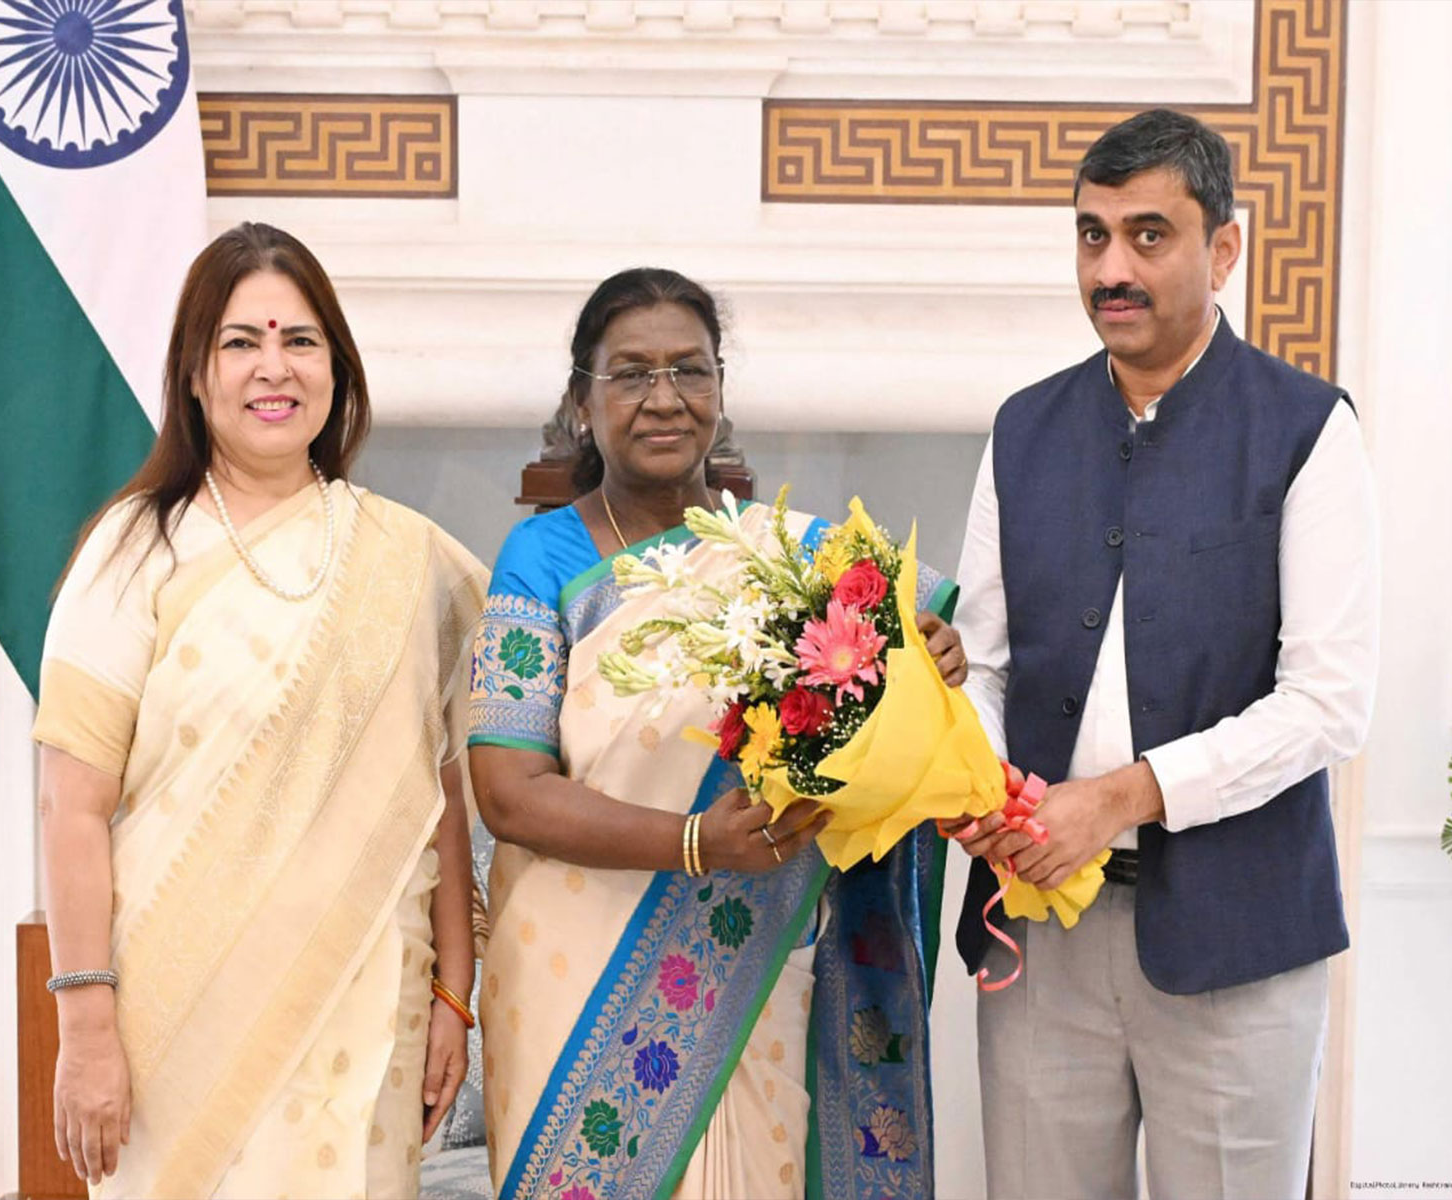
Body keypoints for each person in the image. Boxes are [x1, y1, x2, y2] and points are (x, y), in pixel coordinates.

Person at [943, 109, 1379, 1198]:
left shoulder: (1307, 428)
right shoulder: (1023, 428)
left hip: (1238, 937)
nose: (1111, 269)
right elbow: (984, 663)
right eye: (1092, 237)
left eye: (1148, 236)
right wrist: (984, 783)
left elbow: (1328, 704)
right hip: (1040, 933)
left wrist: (1122, 796)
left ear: (1221, 248)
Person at [467, 267, 968, 1200]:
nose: (664, 399)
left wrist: (924, 656)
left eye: (689, 371)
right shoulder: (541, 559)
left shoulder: (794, 556)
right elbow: (506, 791)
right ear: (584, 400)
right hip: (572, 979)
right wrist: (695, 841)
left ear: (721, 389)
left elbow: (890, 691)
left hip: (747, 970)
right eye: (631, 374)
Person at [32, 222, 488, 1197]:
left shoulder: (414, 561)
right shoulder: (134, 550)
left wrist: (455, 992)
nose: (272, 369)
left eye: (300, 340)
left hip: (370, 1006)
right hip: (174, 1017)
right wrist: (84, 1029)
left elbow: (439, 792)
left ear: (337, 367)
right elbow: (69, 806)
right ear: (194, 374)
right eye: (240, 342)